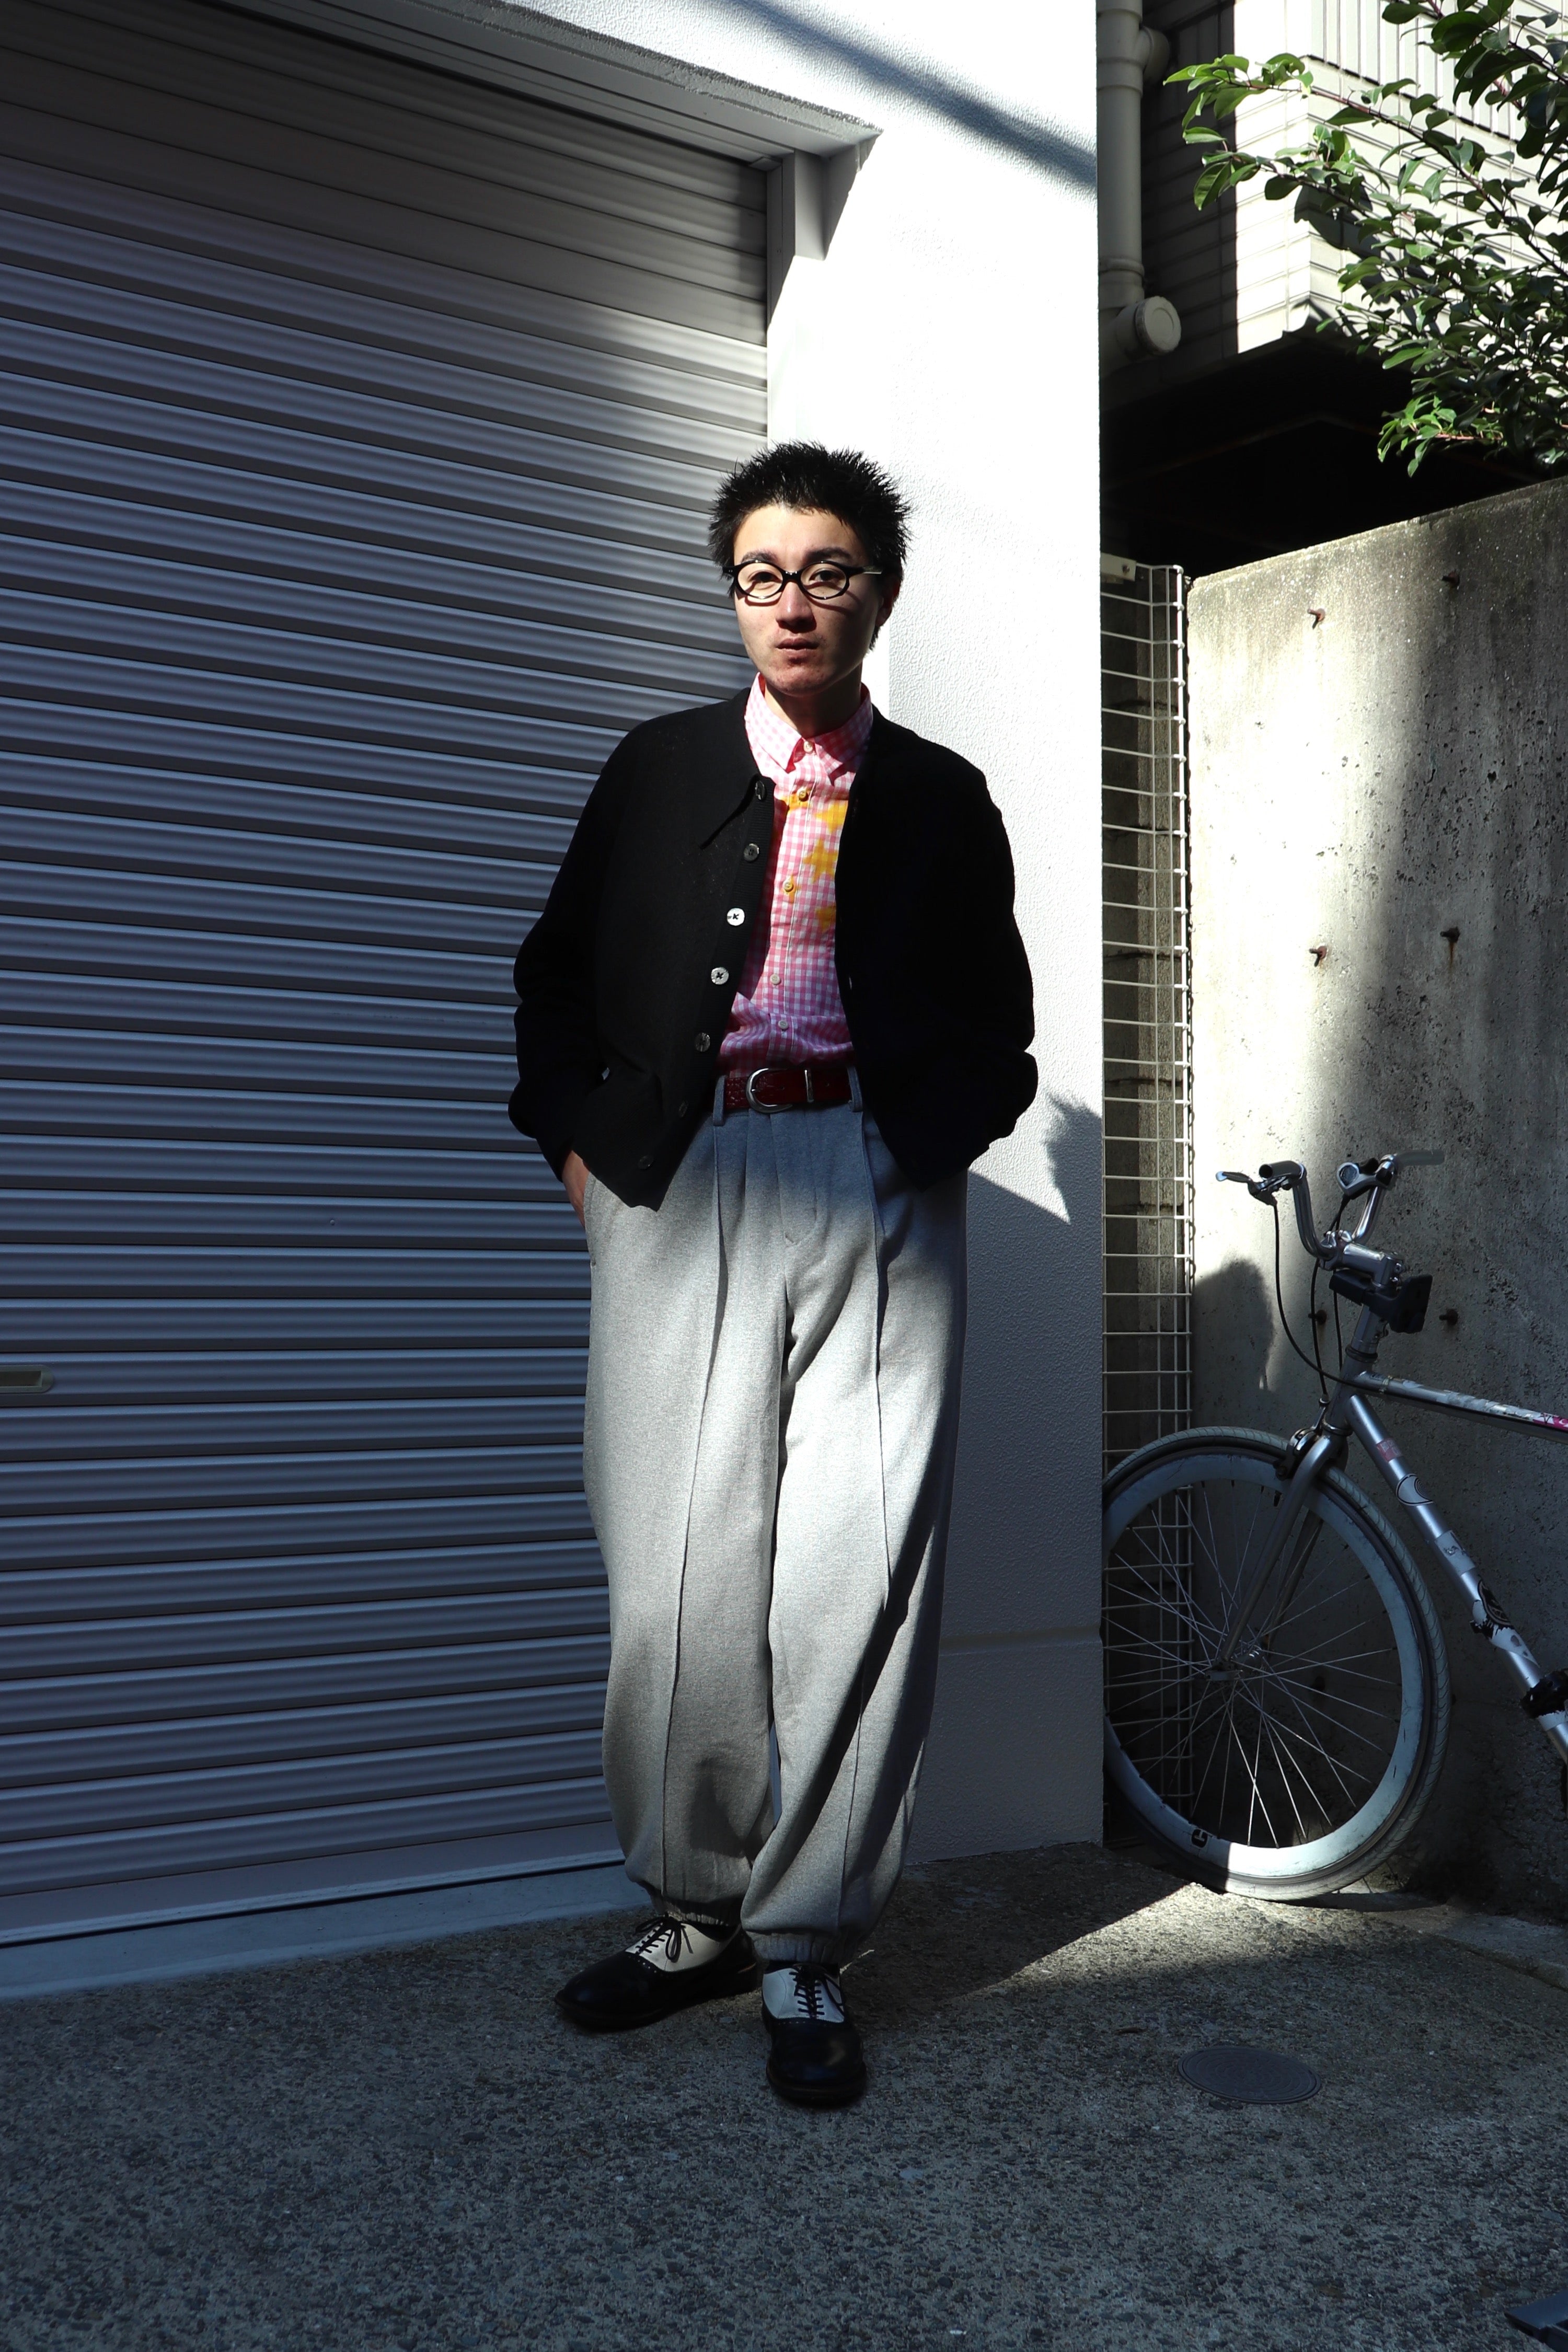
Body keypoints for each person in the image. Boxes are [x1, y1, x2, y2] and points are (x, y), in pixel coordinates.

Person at [510, 442, 1035, 2107]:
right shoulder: (657, 769)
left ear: (880, 593)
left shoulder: (942, 795)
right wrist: (589, 1161)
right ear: (733, 596)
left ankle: (807, 1942)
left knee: (856, 1575)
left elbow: (1001, 1021)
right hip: (688, 1178)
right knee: (678, 1578)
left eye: (825, 572)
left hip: (873, 1179)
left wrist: (921, 1141)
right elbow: (552, 982)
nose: (792, 603)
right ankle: (698, 1910)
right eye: (761, 575)